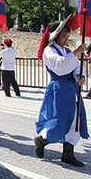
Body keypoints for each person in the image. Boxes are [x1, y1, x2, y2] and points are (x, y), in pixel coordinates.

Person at [35, 16, 89, 167]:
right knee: (58, 120)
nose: (66, 38)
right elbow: (60, 67)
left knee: (74, 121)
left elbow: (77, 66)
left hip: (72, 88)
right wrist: (77, 52)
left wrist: (80, 75)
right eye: (63, 35)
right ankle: (42, 139)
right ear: (55, 36)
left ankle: (68, 153)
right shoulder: (49, 51)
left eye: (67, 35)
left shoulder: (66, 51)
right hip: (58, 88)